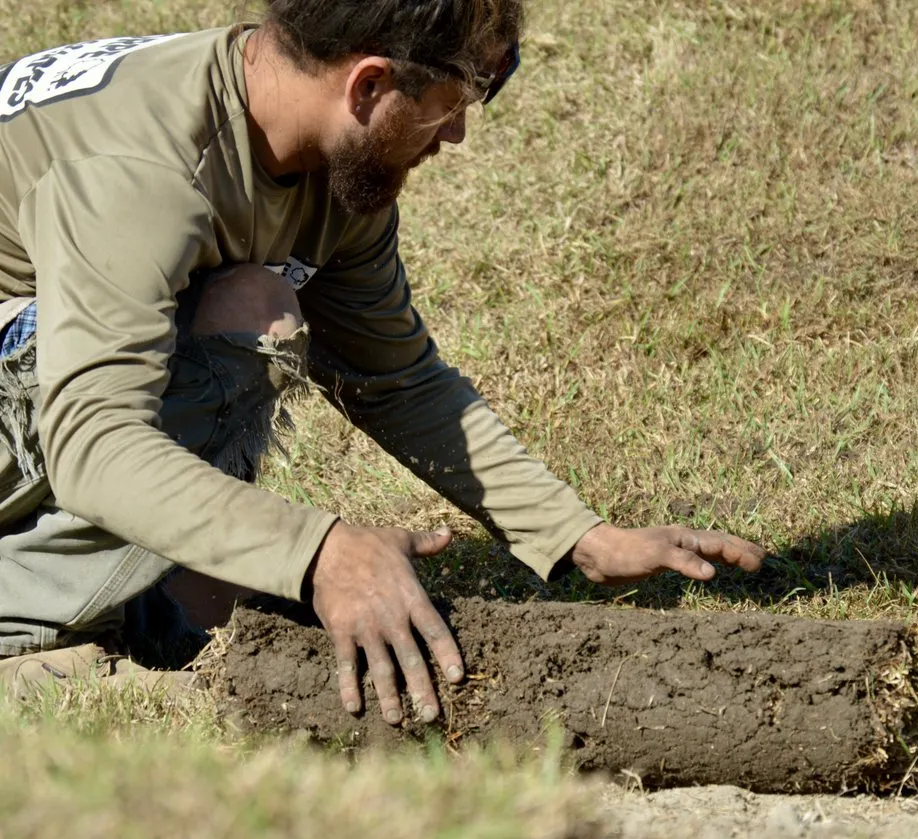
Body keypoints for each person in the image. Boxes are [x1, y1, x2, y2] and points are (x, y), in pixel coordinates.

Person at [0, 0, 765, 722]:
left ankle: (140, 608)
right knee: (246, 308)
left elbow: (393, 380)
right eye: (454, 98)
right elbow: (95, 444)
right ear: (369, 84)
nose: (457, 133)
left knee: (244, 304)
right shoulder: (143, 171)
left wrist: (577, 537)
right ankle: (20, 635)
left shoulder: (318, 155)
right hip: (49, 387)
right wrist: (320, 551)